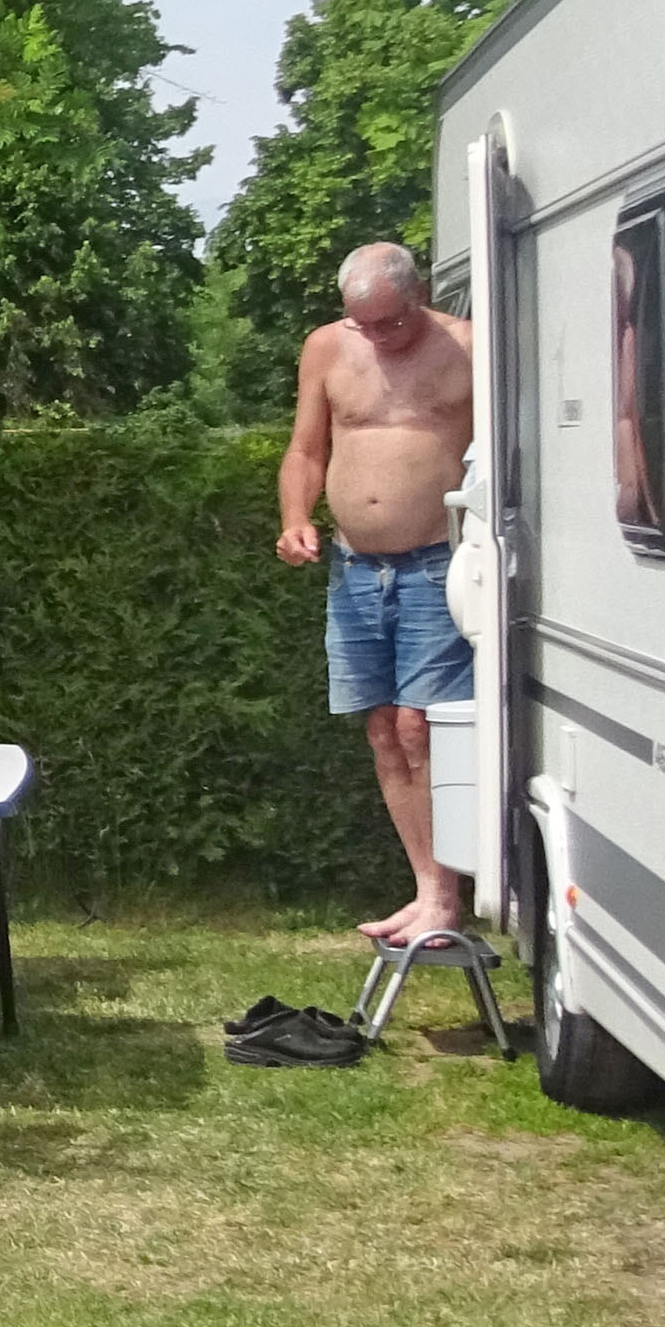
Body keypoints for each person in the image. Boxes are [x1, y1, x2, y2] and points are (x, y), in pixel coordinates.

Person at [278, 238, 476, 946]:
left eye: (391, 320)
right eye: (364, 323)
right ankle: (424, 888)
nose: (379, 336)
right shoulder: (328, 348)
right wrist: (295, 519)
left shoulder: (468, 347)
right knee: (384, 728)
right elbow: (307, 450)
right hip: (356, 568)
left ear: (418, 295)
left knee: (423, 727)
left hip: (435, 564)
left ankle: (447, 897)